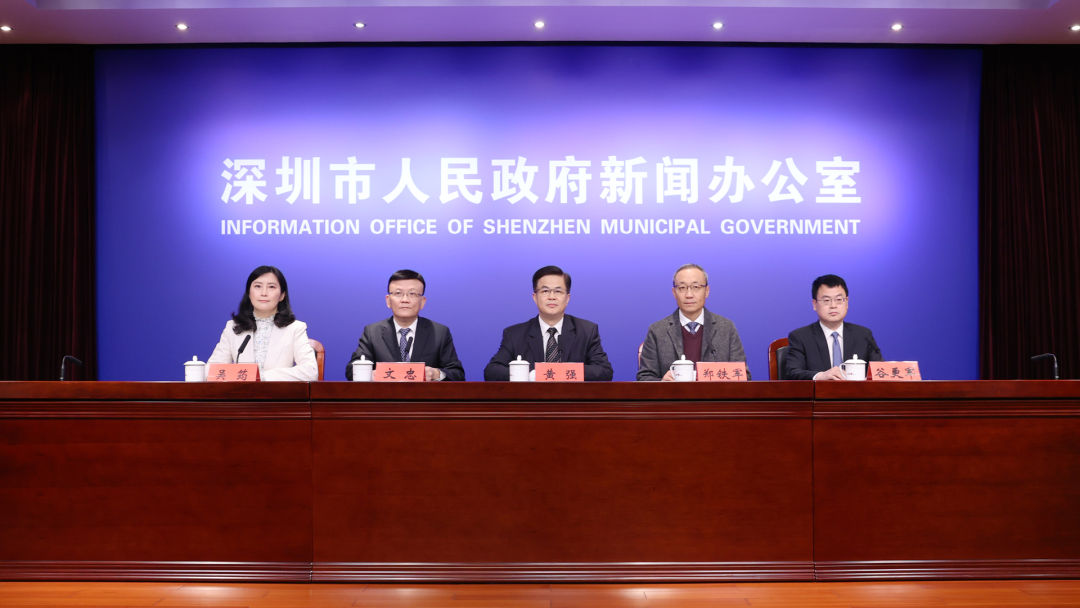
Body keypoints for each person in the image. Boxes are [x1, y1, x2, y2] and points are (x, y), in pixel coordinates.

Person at [484, 265, 613, 381]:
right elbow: (492, 371)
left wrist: (560, 372)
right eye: (545, 291)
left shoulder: (586, 331)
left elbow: (604, 371)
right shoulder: (515, 334)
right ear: (535, 297)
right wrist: (529, 375)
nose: (552, 297)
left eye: (558, 291)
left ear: (567, 298)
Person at [345, 269, 465, 381]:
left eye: (412, 294)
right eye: (398, 293)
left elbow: (457, 373)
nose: (405, 300)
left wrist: (436, 374)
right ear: (388, 300)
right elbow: (351, 370)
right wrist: (369, 374)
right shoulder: (372, 332)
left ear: (422, 302)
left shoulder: (439, 332)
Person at [637, 263, 749, 381]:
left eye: (696, 287)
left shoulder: (726, 328)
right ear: (674, 292)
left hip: (715, 393)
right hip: (674, 393)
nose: (689, 295)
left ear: (707, 291)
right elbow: (644, 378)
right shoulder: (657, 331)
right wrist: (662, 382)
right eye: (682, 288)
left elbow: (743, 375)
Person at [207, 265, 318, 381]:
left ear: (282, 295)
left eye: (271, 287)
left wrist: (260, 377)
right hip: (241, 392)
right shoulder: (233, 327)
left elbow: (310, 372)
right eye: (258, 286)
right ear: (249, 293)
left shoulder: (295, 328)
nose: (264, 293)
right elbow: (211, 371)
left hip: (278, 392)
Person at [785, 274, 882, 380]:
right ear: (814, 304)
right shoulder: (800, 337)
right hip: (819, 391)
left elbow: (879, 371)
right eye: (826, 300)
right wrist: (820, 376)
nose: (833, 305)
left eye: (839, 299)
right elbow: (792, 373)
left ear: (846, 302)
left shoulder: (863, 335)